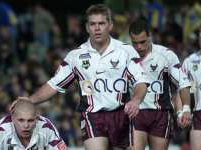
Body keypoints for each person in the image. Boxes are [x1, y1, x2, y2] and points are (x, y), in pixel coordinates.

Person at [14, 4, 149, 150]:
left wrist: (136, 100)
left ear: (110, 25)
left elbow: (141, 82)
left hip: (121, 115)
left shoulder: (126, 51)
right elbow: (54, 84)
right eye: (93, 24)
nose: (97, 28)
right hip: (92, 116)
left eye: (101, 23)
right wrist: (31, 100)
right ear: (87, 27)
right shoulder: (75, 57)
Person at [128, 17, 192, 150]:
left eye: (142, 42)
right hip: (135, 113)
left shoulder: (166, 55)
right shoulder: (125, 56)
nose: (139, 47)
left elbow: (183, 82)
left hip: (160, 114)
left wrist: (185, 109)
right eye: (135, 43)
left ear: (150, 36)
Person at [0, 100, 67, 150]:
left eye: (30, 120)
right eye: (21, 120)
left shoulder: (46, 128)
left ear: (36, 119)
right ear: (12, 119)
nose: (26, 125)